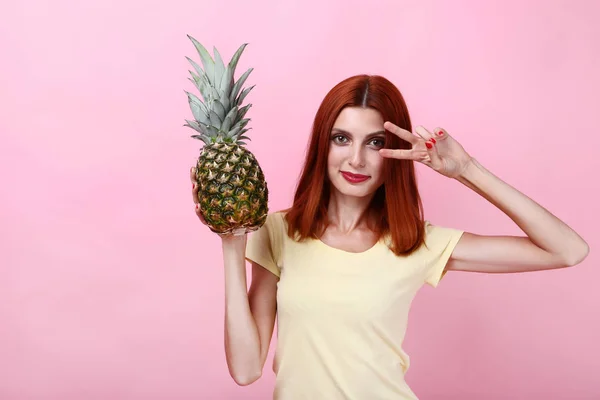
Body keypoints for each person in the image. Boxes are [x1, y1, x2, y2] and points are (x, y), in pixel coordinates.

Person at [190, 74, 589, 399]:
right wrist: (230, 240)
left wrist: (467, 169)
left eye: (375, 143)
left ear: (393, 152)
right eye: (341, 138)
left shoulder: (415, 242)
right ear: (322, 144)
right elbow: (245, 370)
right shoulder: (278, 232)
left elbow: (568, 250)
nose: (357, 159)